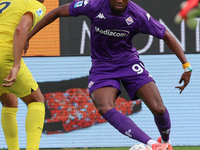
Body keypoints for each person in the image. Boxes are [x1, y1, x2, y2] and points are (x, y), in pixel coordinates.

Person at [26, 0, 193, 150]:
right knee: (104, 107)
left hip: (129, 63)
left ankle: (166, 142)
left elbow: (165, 34)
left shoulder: (137, 14)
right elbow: (56, 12)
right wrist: (28, 36)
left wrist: (186, 67)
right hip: (102, 66)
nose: (119, 0)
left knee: (158, 108)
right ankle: (153, 145)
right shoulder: (94, 5)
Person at [0, 0, 46, 149]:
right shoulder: (35, 5)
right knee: (36, 101)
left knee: (9, 102)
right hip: (3, 57)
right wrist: (16, 65)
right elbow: (21, 29)